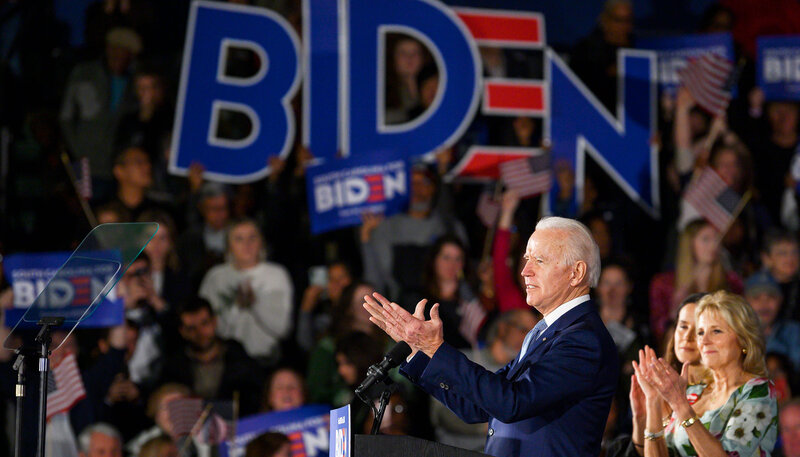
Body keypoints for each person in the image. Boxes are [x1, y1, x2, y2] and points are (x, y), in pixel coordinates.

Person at [364, 216, 618, 457]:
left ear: (576, 273)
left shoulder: (583, 340)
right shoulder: (544, 332)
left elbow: (512, 403)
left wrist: (436, 348)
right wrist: (420, 351)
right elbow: (478, 405)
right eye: (526, 259)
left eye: (539, 261)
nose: (525, 271)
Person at [633, 291, 778, 456]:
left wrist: (681, 406)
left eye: (716, 331)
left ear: (743, 339)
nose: (704, 340)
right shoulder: (693, 393)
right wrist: (653, 402)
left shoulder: (758, 391)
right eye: (701, 333)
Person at [198, 218, 293, 363]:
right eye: (239, 239)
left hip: (267, 359)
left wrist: (255, 304)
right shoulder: (215, 277)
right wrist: (237, 306)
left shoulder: (277, 275)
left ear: (261, 242)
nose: (246, 245)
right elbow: (207, 328)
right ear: (229, 246)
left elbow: (283, 329)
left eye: (252, 238)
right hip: (225, 360)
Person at [159, 298, 265, 416]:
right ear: (183, 331)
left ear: (214, 322)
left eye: (204, 323)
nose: (200, 333)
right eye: (191, 328)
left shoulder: (237, 356)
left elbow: (256, 394)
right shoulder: (175, 367)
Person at [649, 219, 743, 343]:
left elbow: (740, 323)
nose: (714, 245)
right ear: (690, 244)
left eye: (717, 239)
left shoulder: (731, 281)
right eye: (706, 239)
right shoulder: (664, 283)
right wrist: (673, 313)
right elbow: (658, 330)